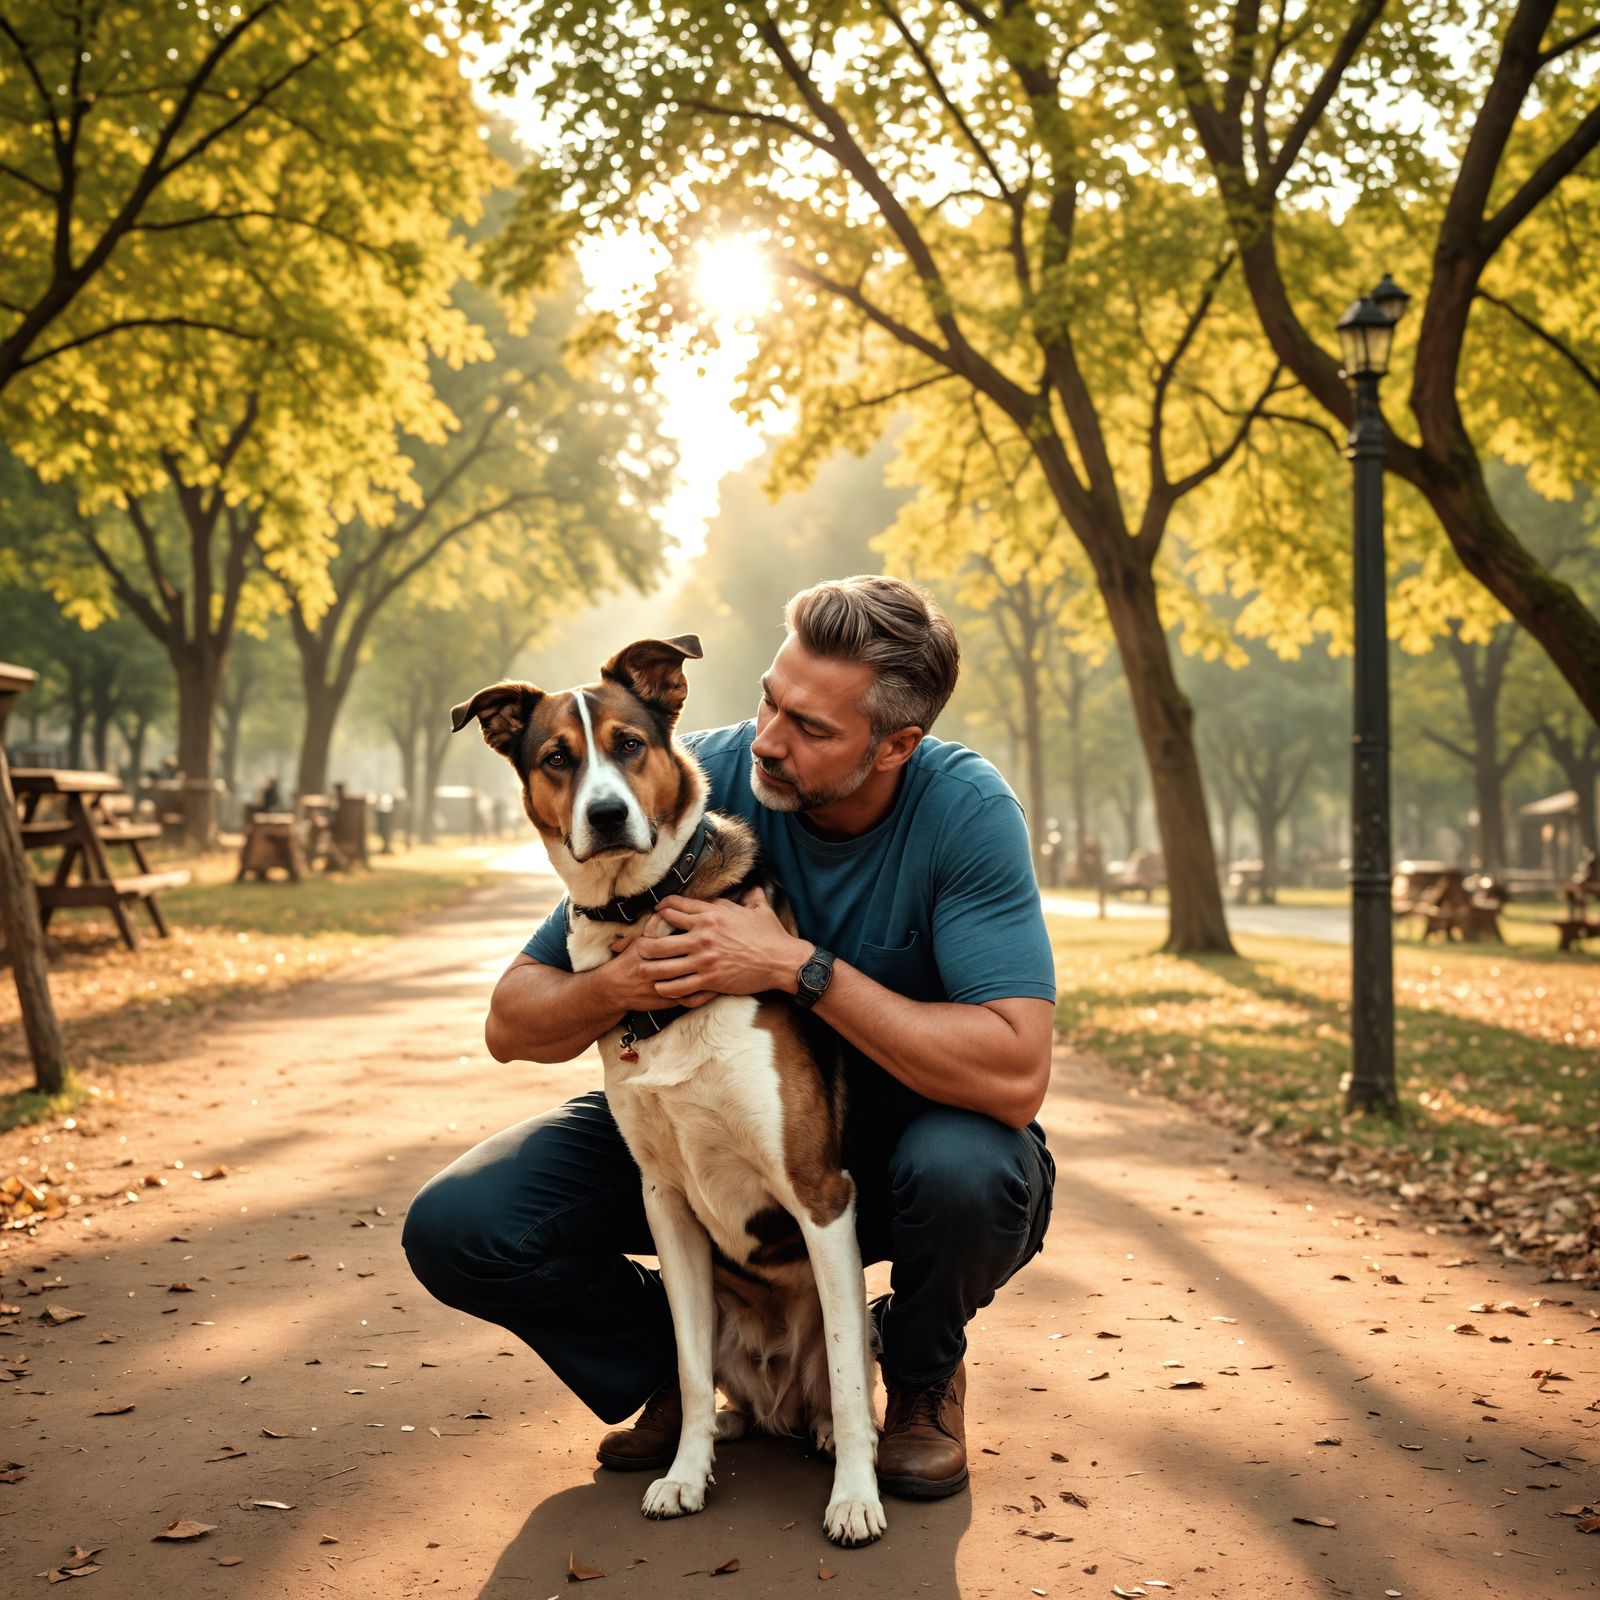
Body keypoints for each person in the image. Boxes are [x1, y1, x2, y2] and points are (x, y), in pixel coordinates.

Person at [403, 576, 1057, 1501]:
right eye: (768, 698)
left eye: (813, 728)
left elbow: (1017, 1069)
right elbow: (513, 1019)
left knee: (969, 1173)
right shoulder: (680, 778)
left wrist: (795, 967)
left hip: (905, 1136)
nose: (770, 739)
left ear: (896, 745)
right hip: (698, 1119)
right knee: (462, 1226)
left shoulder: (964, 811)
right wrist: (633, 980)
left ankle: (916, 1371)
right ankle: (682, 1370)